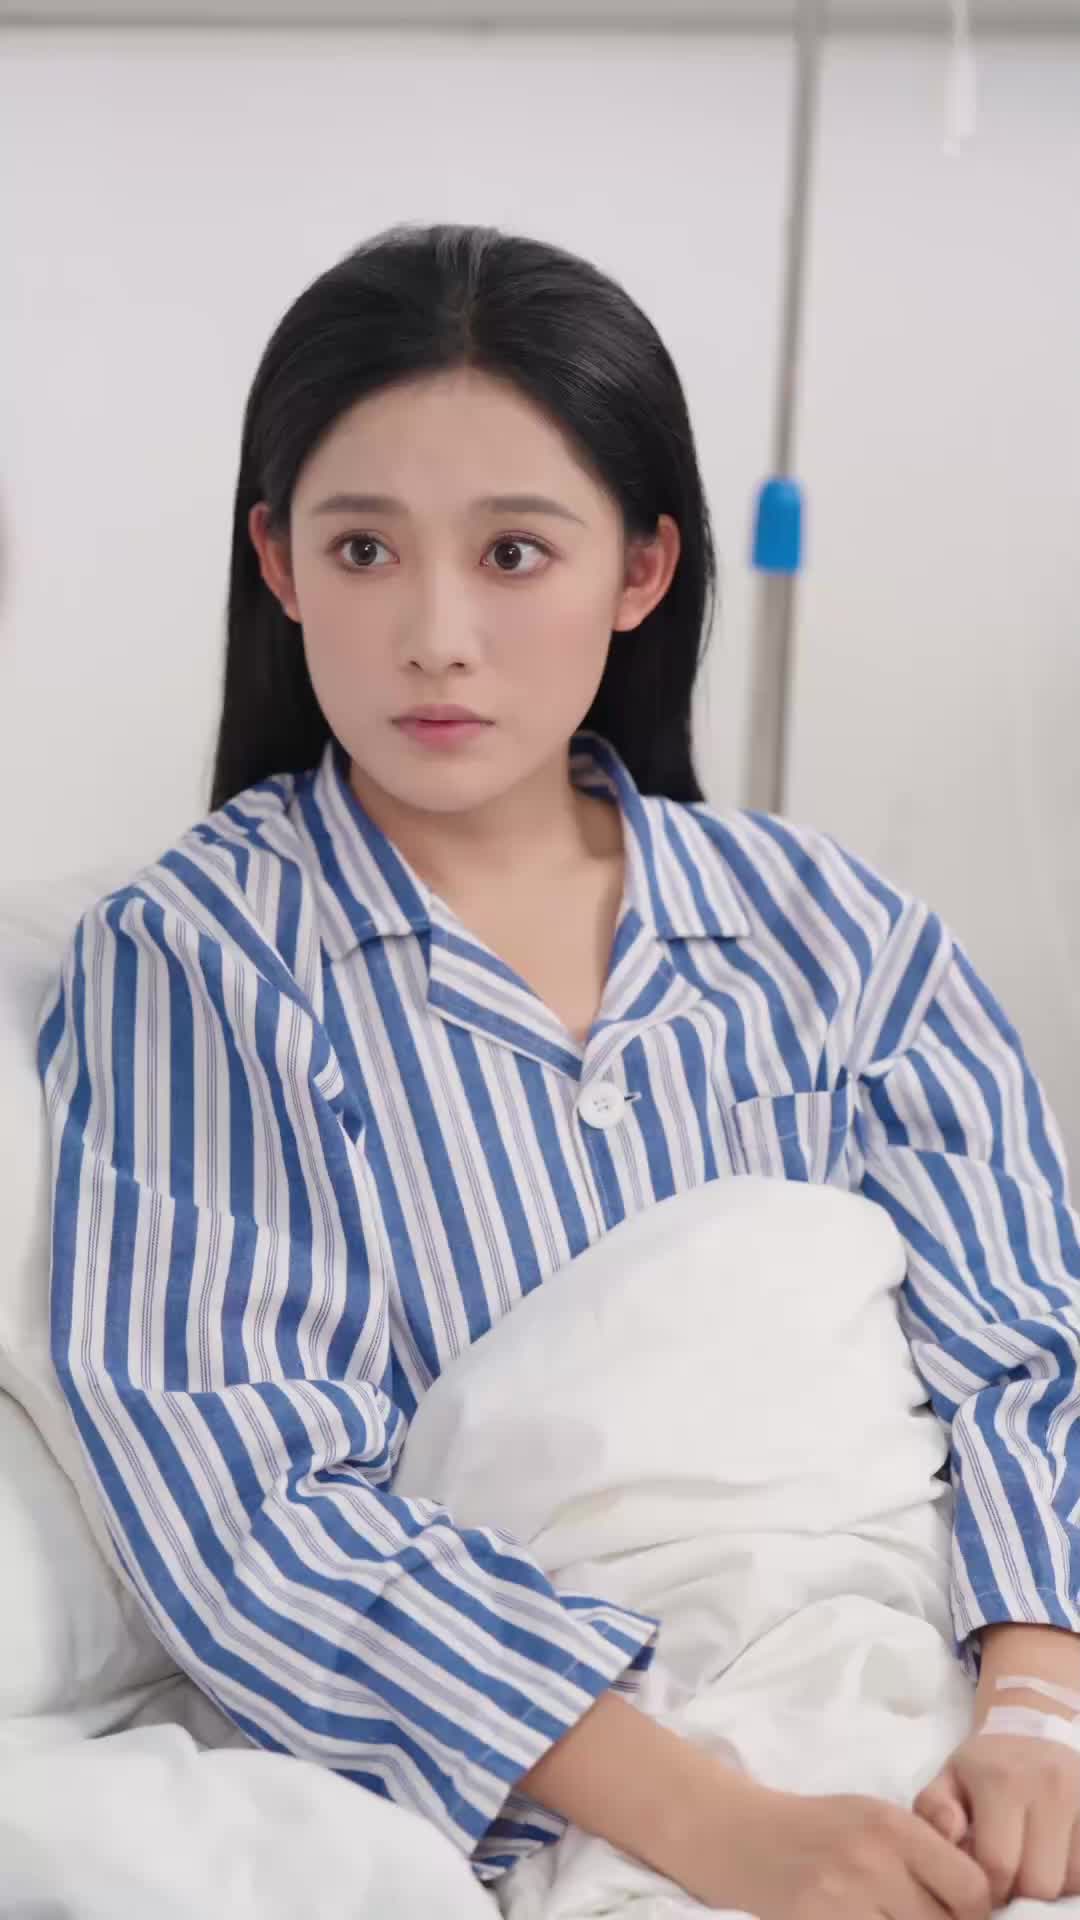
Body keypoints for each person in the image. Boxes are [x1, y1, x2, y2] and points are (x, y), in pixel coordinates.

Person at [38, 221, 1080, 1919]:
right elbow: (246, 1500)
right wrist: (721, 1824)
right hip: (556, 1790)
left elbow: (1032, 1343)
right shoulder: (199, 958)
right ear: (279, 563)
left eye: (515, 552)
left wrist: (1036, 1715)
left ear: (643, 569)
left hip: (951, 1701)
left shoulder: (839, 934)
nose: (436, 635)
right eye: (363, 549)